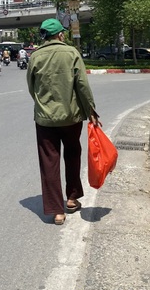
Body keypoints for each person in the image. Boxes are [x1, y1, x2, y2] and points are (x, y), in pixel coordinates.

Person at [27, 18, 100, 226]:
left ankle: (56, 212)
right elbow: (82, 86)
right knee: (72, 154)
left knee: (49, 161)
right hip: (71, 116)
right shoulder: (71, 53)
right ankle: (71, 198)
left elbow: (31, 88)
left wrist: (43, 105)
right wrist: (91, 111)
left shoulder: (36, 56)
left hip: (44, 118)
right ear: (60, 35)